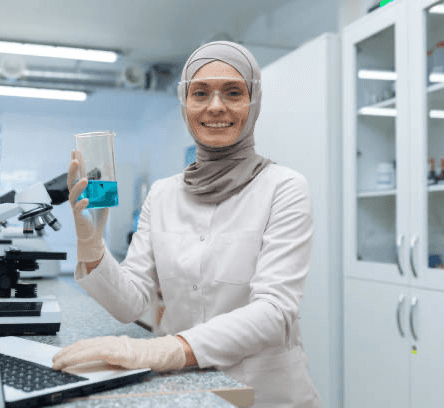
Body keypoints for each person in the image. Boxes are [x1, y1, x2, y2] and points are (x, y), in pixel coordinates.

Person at [52, 41, 321, 407]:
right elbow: (132, 303)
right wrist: (92, 248)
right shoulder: (163, 194)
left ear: (253, 102)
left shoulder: (284, 187)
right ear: (185, 104)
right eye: (200, 93)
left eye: (233, 92)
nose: (215, 106)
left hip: (267, 394)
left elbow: (275, 312)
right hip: (187, 394)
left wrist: (164, 350)